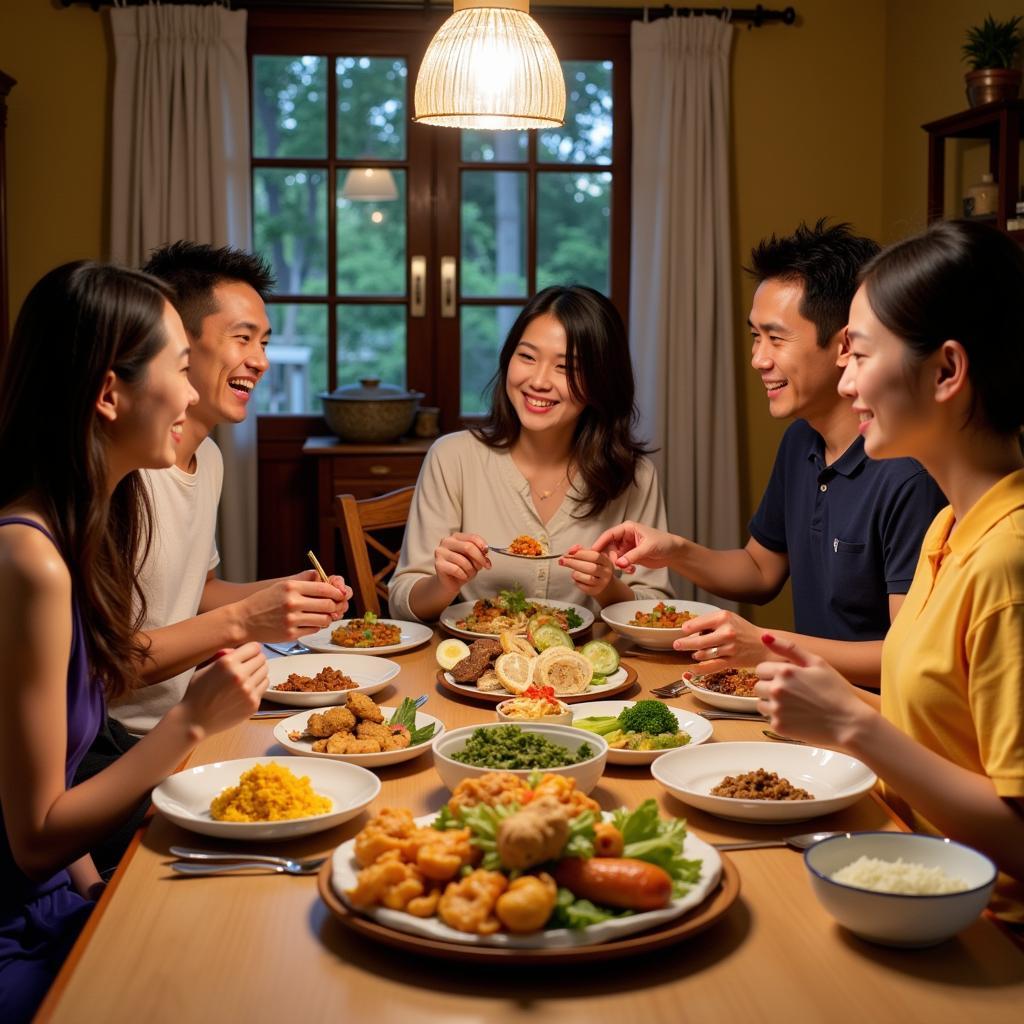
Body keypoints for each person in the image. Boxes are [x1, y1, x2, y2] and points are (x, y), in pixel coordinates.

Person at [0, 262, 270, 1022]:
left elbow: (53, 768)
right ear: (109, 393)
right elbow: (33, 839)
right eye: (180, 368)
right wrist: (191, 721)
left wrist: (95, 894)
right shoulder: (29, 555)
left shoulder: (93, 520)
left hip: (57, 896)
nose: (190, 396)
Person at [755, 219, 1024, 922]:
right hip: (899, 878)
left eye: (860, 355)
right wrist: (830, 710)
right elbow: (932, 740)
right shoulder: (949, 527)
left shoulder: (1008, 564)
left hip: (980, 930)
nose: (844, 382)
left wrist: (851, 724)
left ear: (946, 371)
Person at [74, 242, 350, 872]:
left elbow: (196, 592)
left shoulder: (212, 459)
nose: (260, 360)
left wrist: (282, 593)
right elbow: (98, 665)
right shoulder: (121, 472)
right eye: (242, 338)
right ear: (174, 342)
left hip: (191, 724)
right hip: (119, 745)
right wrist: (246, 620)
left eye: (265, 341)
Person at [594, 221, 945, 686]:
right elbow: (760, 570)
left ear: (845, 344)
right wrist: (674, 550)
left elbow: (902, 656)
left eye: (776, 338)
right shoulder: (801, 439)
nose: (759, 358)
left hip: (873, 724)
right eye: (755, 336)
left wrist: (764, 645)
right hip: (806, 706)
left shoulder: (909, 473)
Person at [388, 285, 672, 621]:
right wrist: (444, 583)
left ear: (602, 381)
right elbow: (402, 603)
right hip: (474, 668)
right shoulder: (452, 458)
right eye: (527, 356)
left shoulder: (634, 477)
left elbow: (656, 608)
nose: (538, 381)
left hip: (591, 670)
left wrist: (608, 586)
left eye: (566, 367)